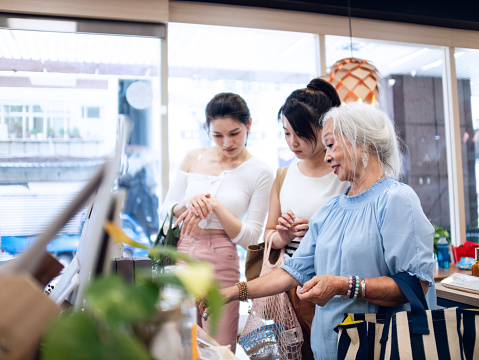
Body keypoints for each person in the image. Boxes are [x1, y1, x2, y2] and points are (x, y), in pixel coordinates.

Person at [209, 102, 436, 360]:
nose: (327, 156)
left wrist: (343, 285)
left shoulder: (396, 199)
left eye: (331, 145)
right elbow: (291, 273)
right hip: (328, 347)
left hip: (378, 346)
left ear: (361, 141)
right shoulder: (331, 209)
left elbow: (416, 284)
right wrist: (232, 292)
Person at [160, 92, 274, 352]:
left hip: (222, 260)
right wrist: (188, 205)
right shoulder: (194, 157)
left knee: (218, 350)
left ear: (249, 124)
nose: (227, 143)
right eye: (217, 135)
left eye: (235, 133)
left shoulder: (260, 172)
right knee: (180, 346)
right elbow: (166, 210)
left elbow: (251, 237)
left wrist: (217, 207)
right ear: (207, 130)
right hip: (183, 256)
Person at [264, 78, 349, 360]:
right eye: (286, 133)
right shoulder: (284, 175)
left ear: (325, 128)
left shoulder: (343, 174)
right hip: (287, 289)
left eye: (301, 133)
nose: (293, 142)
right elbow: (268, 237)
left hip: (331, 286)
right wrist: (282, 236)